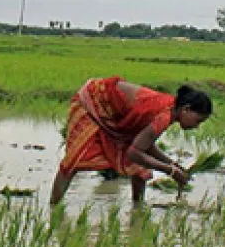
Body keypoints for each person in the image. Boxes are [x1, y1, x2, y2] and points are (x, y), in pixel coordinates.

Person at [50, 78, 212, 204]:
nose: (196, 126)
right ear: (186, 109)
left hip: (113, 114)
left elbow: (145, 145)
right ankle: (53, 209)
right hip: (93, 102)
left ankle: (137, 208)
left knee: (140, 169)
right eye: (197, 121)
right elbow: (134, 152)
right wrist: (168, 170)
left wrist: (172, 165)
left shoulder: (168, 110)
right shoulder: (163, 115)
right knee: (74, 161)